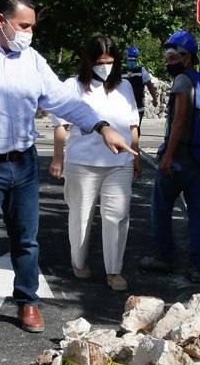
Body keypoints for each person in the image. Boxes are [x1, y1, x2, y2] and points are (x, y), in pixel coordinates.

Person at [0, 0, 138, 358]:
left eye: (32, 27)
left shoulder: (32, 60)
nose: (29, 34)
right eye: (24, 26)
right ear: (1, 20)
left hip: (23, 163)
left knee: (27, 239)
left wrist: (102, 127)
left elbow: (63, 101)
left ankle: (27, 301)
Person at [49, 35, 142, 292]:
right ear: (88, 61)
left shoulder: (124, 87)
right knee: (81, 215)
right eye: (100, 61)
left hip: (119, 162)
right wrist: (58, 158)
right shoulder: (72, 87)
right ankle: (79, 263)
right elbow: (61, 127)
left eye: (110, 61)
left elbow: (133, 125)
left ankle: (114, 271)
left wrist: (136, 155)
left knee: (117, 216)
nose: (105, 66)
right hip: (82, 163)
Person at [148, 30, 200, 283]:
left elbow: (179, 121)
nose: (168, 61)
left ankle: (164, 257)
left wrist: (167, 156)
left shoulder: (182, 82)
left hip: (180, 160)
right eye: (167, 57)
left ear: (187, 58)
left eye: (172, 56)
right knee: (198, 215)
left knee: (161, 208)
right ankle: (198, 267)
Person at [122, 45, 156, 128]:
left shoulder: (121, 71)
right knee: (135, 130)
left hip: (127, 108)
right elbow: (150, 86)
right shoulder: (142, 71)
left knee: (126, 131)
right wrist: (154, 99)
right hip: (136, 107)